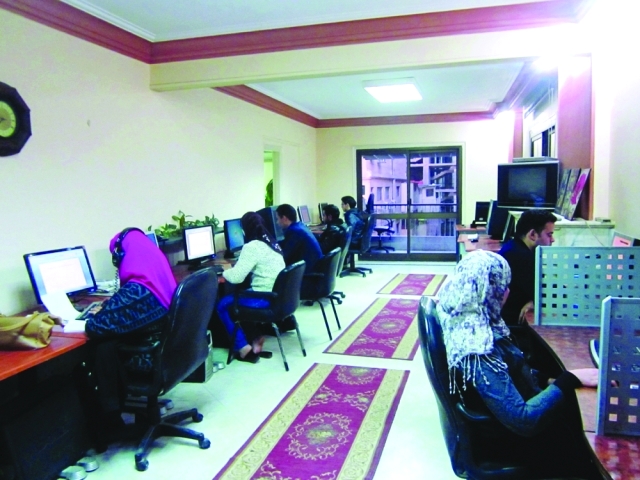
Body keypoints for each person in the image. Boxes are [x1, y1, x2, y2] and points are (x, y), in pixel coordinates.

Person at [437, 250, 599, 479]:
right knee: (592, 442)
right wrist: (569, 379)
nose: (508, 292)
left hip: (505, 425)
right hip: (510, 441)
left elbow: (511, 372)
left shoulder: (468, 319)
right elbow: (524, 420)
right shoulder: (478, 348)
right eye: (503, 287)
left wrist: (548, 380)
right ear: (488, 292)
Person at [84, 227, 177, 441]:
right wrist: (112, 305)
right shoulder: (156, 276)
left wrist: (99, 313)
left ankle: (108, 419)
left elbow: (95, 327)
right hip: (171, 352)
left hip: (148, 358)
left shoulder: (137, 290)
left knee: (102, 346)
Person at [217, 212, 285, 363]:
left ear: (245, 229)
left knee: (223, 305)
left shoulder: (252, 246)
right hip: (277, 296)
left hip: (264, 298)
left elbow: (237, 277)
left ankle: (243, 348)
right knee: (240, 295)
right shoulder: (272, 243)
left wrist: (223, 273)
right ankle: (255, 336)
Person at [498, 209, 557, 325]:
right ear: (532, 234)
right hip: (511, 324)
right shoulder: (521, 257)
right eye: (549, 235)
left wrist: (533, 301)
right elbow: (550, 294)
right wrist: (536, 301)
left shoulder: (513, 247)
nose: (552, 240)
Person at [276, 203, 322, 272]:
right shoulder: (299, 226)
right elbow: (285, 243)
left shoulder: (293, 231)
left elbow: (285, 256)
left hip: (310, 272)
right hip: (316, 267)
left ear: (284, 218)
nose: (277, 222)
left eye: (277, 219)